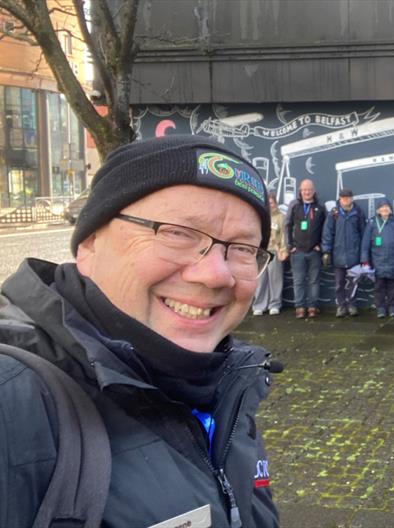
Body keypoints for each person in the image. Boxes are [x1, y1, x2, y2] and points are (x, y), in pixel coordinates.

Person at [0, 136, 279, 527]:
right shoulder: (13, 403)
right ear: (90, 244)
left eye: (243, 249)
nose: (217, 273)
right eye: (178, 232)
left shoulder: (229, 386)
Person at [360, 199, 394, 318]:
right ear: (378, 210)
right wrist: (365, 260)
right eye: (382, 207)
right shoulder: (372, 223)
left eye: (387, 207)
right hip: (377, 260)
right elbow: (365, 243)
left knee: (393, 286)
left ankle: (393, 306)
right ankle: (381, 308)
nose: (384, 209)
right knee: (379, 286)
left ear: (390, 209)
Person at [286, 179, 326, 318]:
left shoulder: (320, 207)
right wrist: (290, 245)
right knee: (298, 281)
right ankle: (300, 308)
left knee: (314, 281)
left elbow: (325, 228)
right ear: (300, 191)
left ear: (313, 191)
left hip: (314, 251)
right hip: (298, 251)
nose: (307, 192)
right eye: (304, 190)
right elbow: (288, 225)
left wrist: (321, 245)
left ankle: (312, 307)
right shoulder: (295, 205)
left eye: (309, 189)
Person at [322, 188, 366, 317]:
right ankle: (341, 306)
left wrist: (363, 254)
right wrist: (326, 251)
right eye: (343, 197)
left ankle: (352, 305)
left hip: (354, 255)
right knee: (339, 284)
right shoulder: (334, 213)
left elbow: (364, 234)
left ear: (352, 198)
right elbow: (327, 233)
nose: (346, 199)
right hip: (338, 255)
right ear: (340, 199)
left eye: (348, 197)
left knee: (354, 284)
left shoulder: (358, 213)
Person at [253, 192, 289, 315]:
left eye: (272, 203)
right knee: (260, 281)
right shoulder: (260, 217)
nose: (270, 205)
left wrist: (283, 250)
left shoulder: (281, 217)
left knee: (275, 279)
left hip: (275, 251)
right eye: (268, 203)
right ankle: (259, 305)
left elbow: (284, 235)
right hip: (262, 252)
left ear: (276, 203)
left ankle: (274, 304)